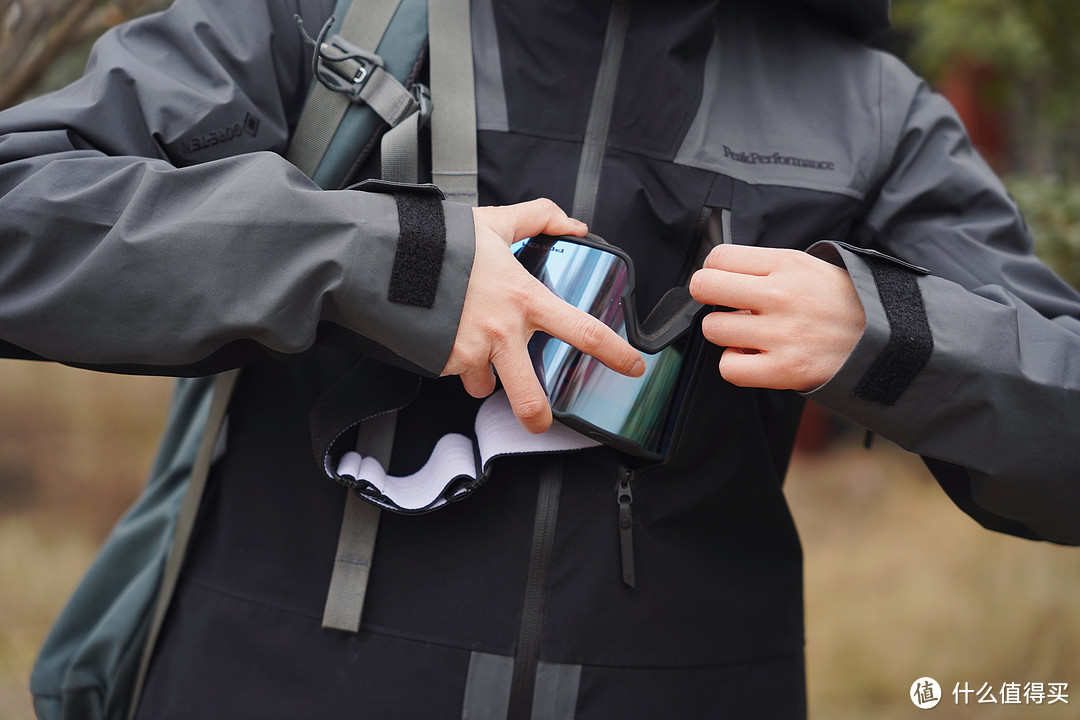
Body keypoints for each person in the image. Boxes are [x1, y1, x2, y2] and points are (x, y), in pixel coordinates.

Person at [1, 0, 1078, 718]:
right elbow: (23, 213)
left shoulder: (871, 108)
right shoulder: (330, 17)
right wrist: (391, 261)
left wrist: (885, 331)